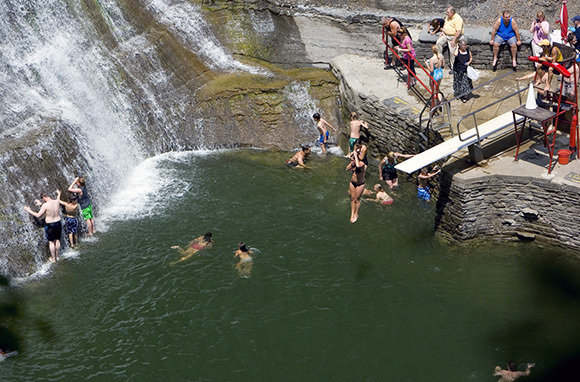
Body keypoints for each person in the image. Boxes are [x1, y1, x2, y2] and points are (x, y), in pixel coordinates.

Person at [24, 192, 62, 262]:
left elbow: (38, 215)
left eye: (43, 199)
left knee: (51, 242)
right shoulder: (57, 201)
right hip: (58, 222)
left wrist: (28, 210)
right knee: (57, 240)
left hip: (50, 224)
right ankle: (57, 256)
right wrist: (58, 193)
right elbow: (50, 208)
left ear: (44, 197)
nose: (43, 200)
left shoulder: (45, 205)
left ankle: (53, 259)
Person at [436, 6, 465, 71]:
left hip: (454, 37)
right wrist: (442, 32)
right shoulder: (448, 17)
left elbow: (459, 31)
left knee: (452, 52)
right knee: (438, 43)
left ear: (452, 12)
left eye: (448, 12)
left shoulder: (458, 19)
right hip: (446, 35)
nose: (446, 13)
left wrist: (454, 40)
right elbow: (445, 25)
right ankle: (440, 59)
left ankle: (453, 67)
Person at [346, 140, 368, 223]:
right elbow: (346, 169)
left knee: (357, 199)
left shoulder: (362, 163)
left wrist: (355, 155)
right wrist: (351, 164)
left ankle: (356, 214)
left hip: (360, 184)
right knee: (352, 198)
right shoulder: (354, 163)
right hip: (352, 182)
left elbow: (358, 165)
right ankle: (352, 214)